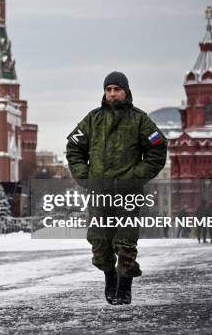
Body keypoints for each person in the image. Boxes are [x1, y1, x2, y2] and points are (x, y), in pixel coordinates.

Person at [66, 71, 167, 305]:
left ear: (126, 91)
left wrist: (135, 177)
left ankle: (124, 287)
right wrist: (86, 177)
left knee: (125, 241)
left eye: (117, 89)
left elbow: (158, 148)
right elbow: (73, 148)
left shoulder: (139, 120)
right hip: (99, 194)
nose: (112, 93)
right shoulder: (92, 120)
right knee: (99, 242)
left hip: (128, 193)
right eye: (108, 89)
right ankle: (110, 276)